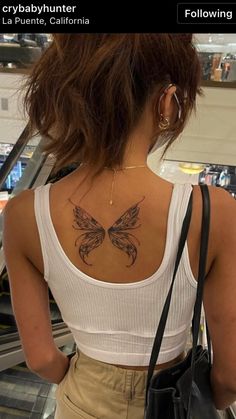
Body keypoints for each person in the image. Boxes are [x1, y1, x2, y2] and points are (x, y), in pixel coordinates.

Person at [2, 34, 236, 418]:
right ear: (167, 101)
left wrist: (86, 384)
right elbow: (230, 376)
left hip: (81, 400)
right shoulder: (214, 210)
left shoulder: (24, 213)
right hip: (173, 397)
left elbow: (42, 358)